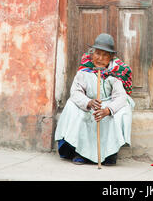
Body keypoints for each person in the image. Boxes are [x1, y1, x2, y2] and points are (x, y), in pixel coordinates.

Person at [54, 33, 134, 165]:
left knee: (124, 109)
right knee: (71, 106)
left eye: (105, 55)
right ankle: (79, 152)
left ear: (111, 58)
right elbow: (75, 92)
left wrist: (108, 110)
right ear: (92, 54)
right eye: (97, 53)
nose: (100, 58)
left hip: (108, 105)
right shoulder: (84, 71)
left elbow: (121, 96)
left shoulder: (114, 73)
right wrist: (88, 102)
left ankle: (109, 154)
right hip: (88, 104)